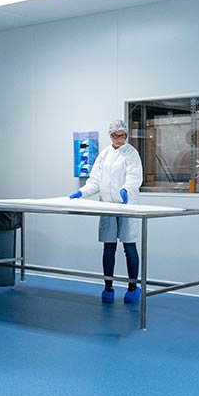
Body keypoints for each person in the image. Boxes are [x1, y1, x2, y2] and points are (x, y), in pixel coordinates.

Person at [70, 120, 143, 303]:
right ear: (110, 136)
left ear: (126, 135)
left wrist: (126, 189)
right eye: (115, 136)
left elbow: (135, 177)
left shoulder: (131, 153)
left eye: (122, 135)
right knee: (109, 247)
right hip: (107, 205)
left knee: (129, 245)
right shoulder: (104, 155)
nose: (119, 139)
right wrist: (82, 192)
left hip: (127, 205)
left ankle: (133, 288)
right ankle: (108, 288)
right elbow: (95, 181)